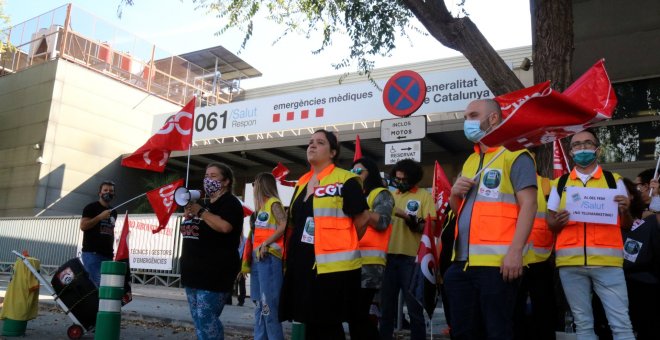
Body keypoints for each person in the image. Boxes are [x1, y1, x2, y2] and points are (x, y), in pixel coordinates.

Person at [444, 98, 537, 339]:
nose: (467, 122)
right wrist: (455, 193)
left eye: (473, 116)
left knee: (498, 332)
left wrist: (516, 252)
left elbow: (529, 203)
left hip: (497, 266)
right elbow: (459, 210)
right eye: (465, 118)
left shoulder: (516, 155)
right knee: (463, 332)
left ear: (493, 118)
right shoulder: (471, 160)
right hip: (461, 264)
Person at [279, 129, 371, 340]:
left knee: (327, 326)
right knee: (308, 322)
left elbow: (363, 218)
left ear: (333, 152)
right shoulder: (301, 182)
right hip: (301, 263)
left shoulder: (345, 179)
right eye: (310, 142)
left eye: (320, 142)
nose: (312, 145)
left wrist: (341, 244)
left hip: (331, 268)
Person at [546, 129, 635, 340]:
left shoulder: (614, 181)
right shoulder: (560, 183)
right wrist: (556, 222)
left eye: (588, 143)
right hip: (570, 264)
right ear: (570, 152)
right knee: (583, 325)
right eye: (577, 145)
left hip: (608, 264)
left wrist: (626, 210)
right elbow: (549, 222)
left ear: (598, 149)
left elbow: (627, 224)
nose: (582, 148)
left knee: (621, 324)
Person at [181, 162, 244, 340]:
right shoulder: (204, 205)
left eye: (213, 176)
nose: (208, 179)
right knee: (199, 322)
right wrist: (190, 218)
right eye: (206, 176)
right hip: (192, 273)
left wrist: (200, 213)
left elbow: (224, 226)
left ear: (226, 181)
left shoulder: (230, 203)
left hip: (214, 274)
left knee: (206, 319)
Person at [379, 159, 437, 340]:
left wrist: (407, 217)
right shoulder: (389, 196)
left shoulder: (423, 196)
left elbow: (430, 227)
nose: (400, 182)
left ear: (414, 180)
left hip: (412, 260)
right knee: (386, 310)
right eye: (397, 179)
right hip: (387, 258)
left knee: (415, 311)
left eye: (404, 180)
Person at [347, 157, 394, 340]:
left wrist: (361, 210)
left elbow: (382, 221)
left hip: (370, 263)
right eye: (352, 172)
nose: (355, 175)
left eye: (359, 171)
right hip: (352, 261)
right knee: (354, 315)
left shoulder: (381, 194)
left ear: (371, 173)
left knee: (358, 313)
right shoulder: (356, 196)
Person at [242, 172, 286, 340]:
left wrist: (266, 243)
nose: (254, 188)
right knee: (260, 306)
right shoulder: (260, 209)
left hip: (270, 258)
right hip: (258, 260)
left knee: (269, 306)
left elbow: (283, 225)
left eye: (255, 184)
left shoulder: (274, 203)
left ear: (262, 185)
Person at [514, 175, 556, 340]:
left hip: (540, 261)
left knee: (544, 315)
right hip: (511, 260)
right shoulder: (506, 181)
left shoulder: (548, 185)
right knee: (514, 315)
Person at [80, 180, 118, 287]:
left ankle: (99, 304)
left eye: (111, 191)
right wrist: (100, 217)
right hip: (92, 254)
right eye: (105, 190)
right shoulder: (91, 208)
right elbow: (83, 226)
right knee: (99, 285)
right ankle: (94, 304)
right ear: (100, 193)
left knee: (106, 286)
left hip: (108, 255)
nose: (108, 193)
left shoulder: (113, 211)